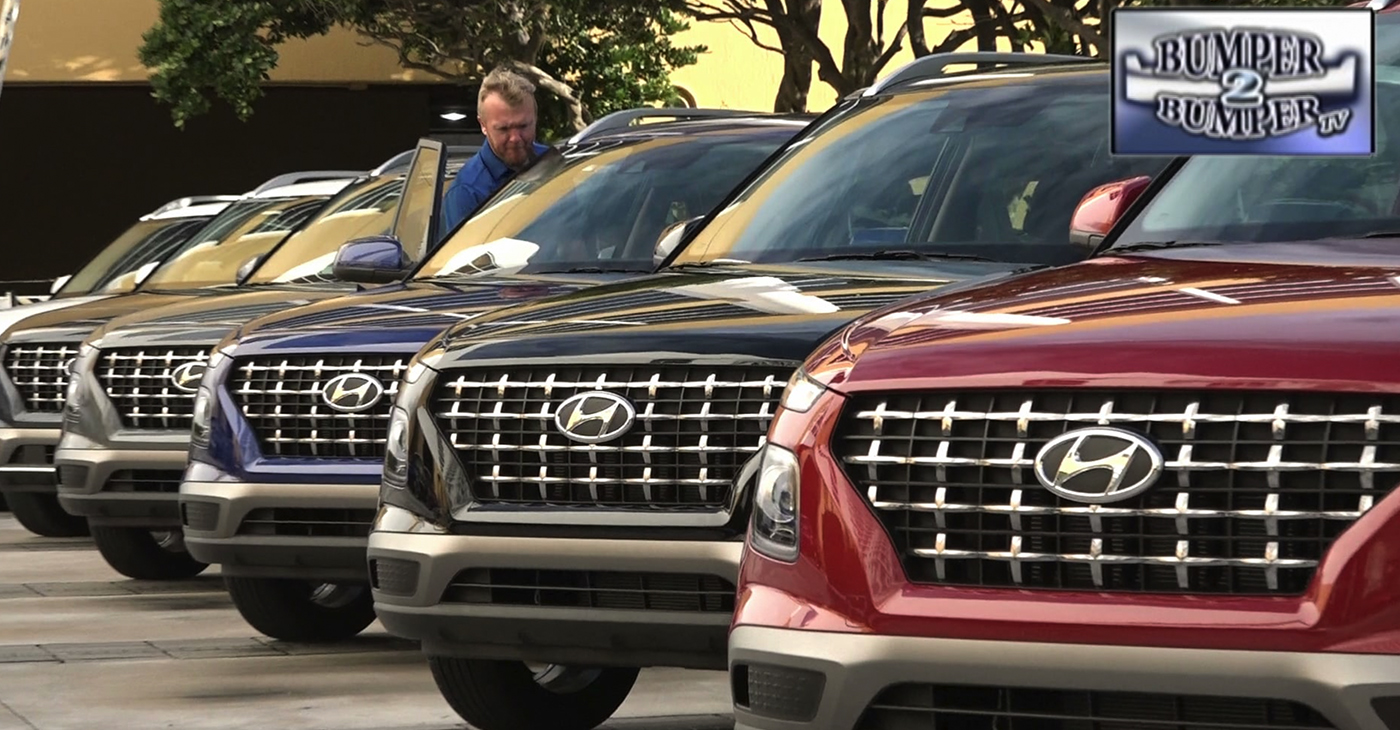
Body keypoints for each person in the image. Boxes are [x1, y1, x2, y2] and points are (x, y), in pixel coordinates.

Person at [441, 66, 552, 232]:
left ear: (535, 118)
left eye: (523, 126)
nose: (515, 138)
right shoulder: (467, 191)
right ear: (483, 125)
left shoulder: (554, 164)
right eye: (503, 129)